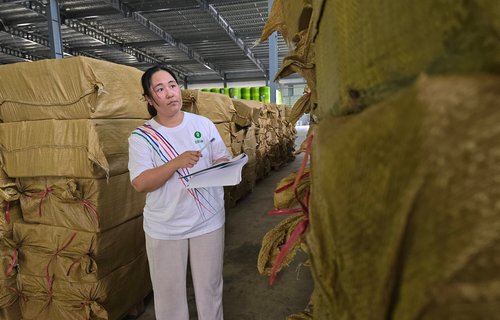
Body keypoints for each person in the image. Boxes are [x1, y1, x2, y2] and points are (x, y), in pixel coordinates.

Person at [128, 65, 230, 320]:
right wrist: (175, 163)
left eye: (173, 85)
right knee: (168, 295)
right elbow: (140, 183)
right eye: (160, 89)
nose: (170, 93)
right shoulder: (142, 137)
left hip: (208, 221)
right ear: (149, 99)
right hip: (166, 226)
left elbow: (221, 156)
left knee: (210, 288)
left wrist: (222, 165)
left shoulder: (203, 124)